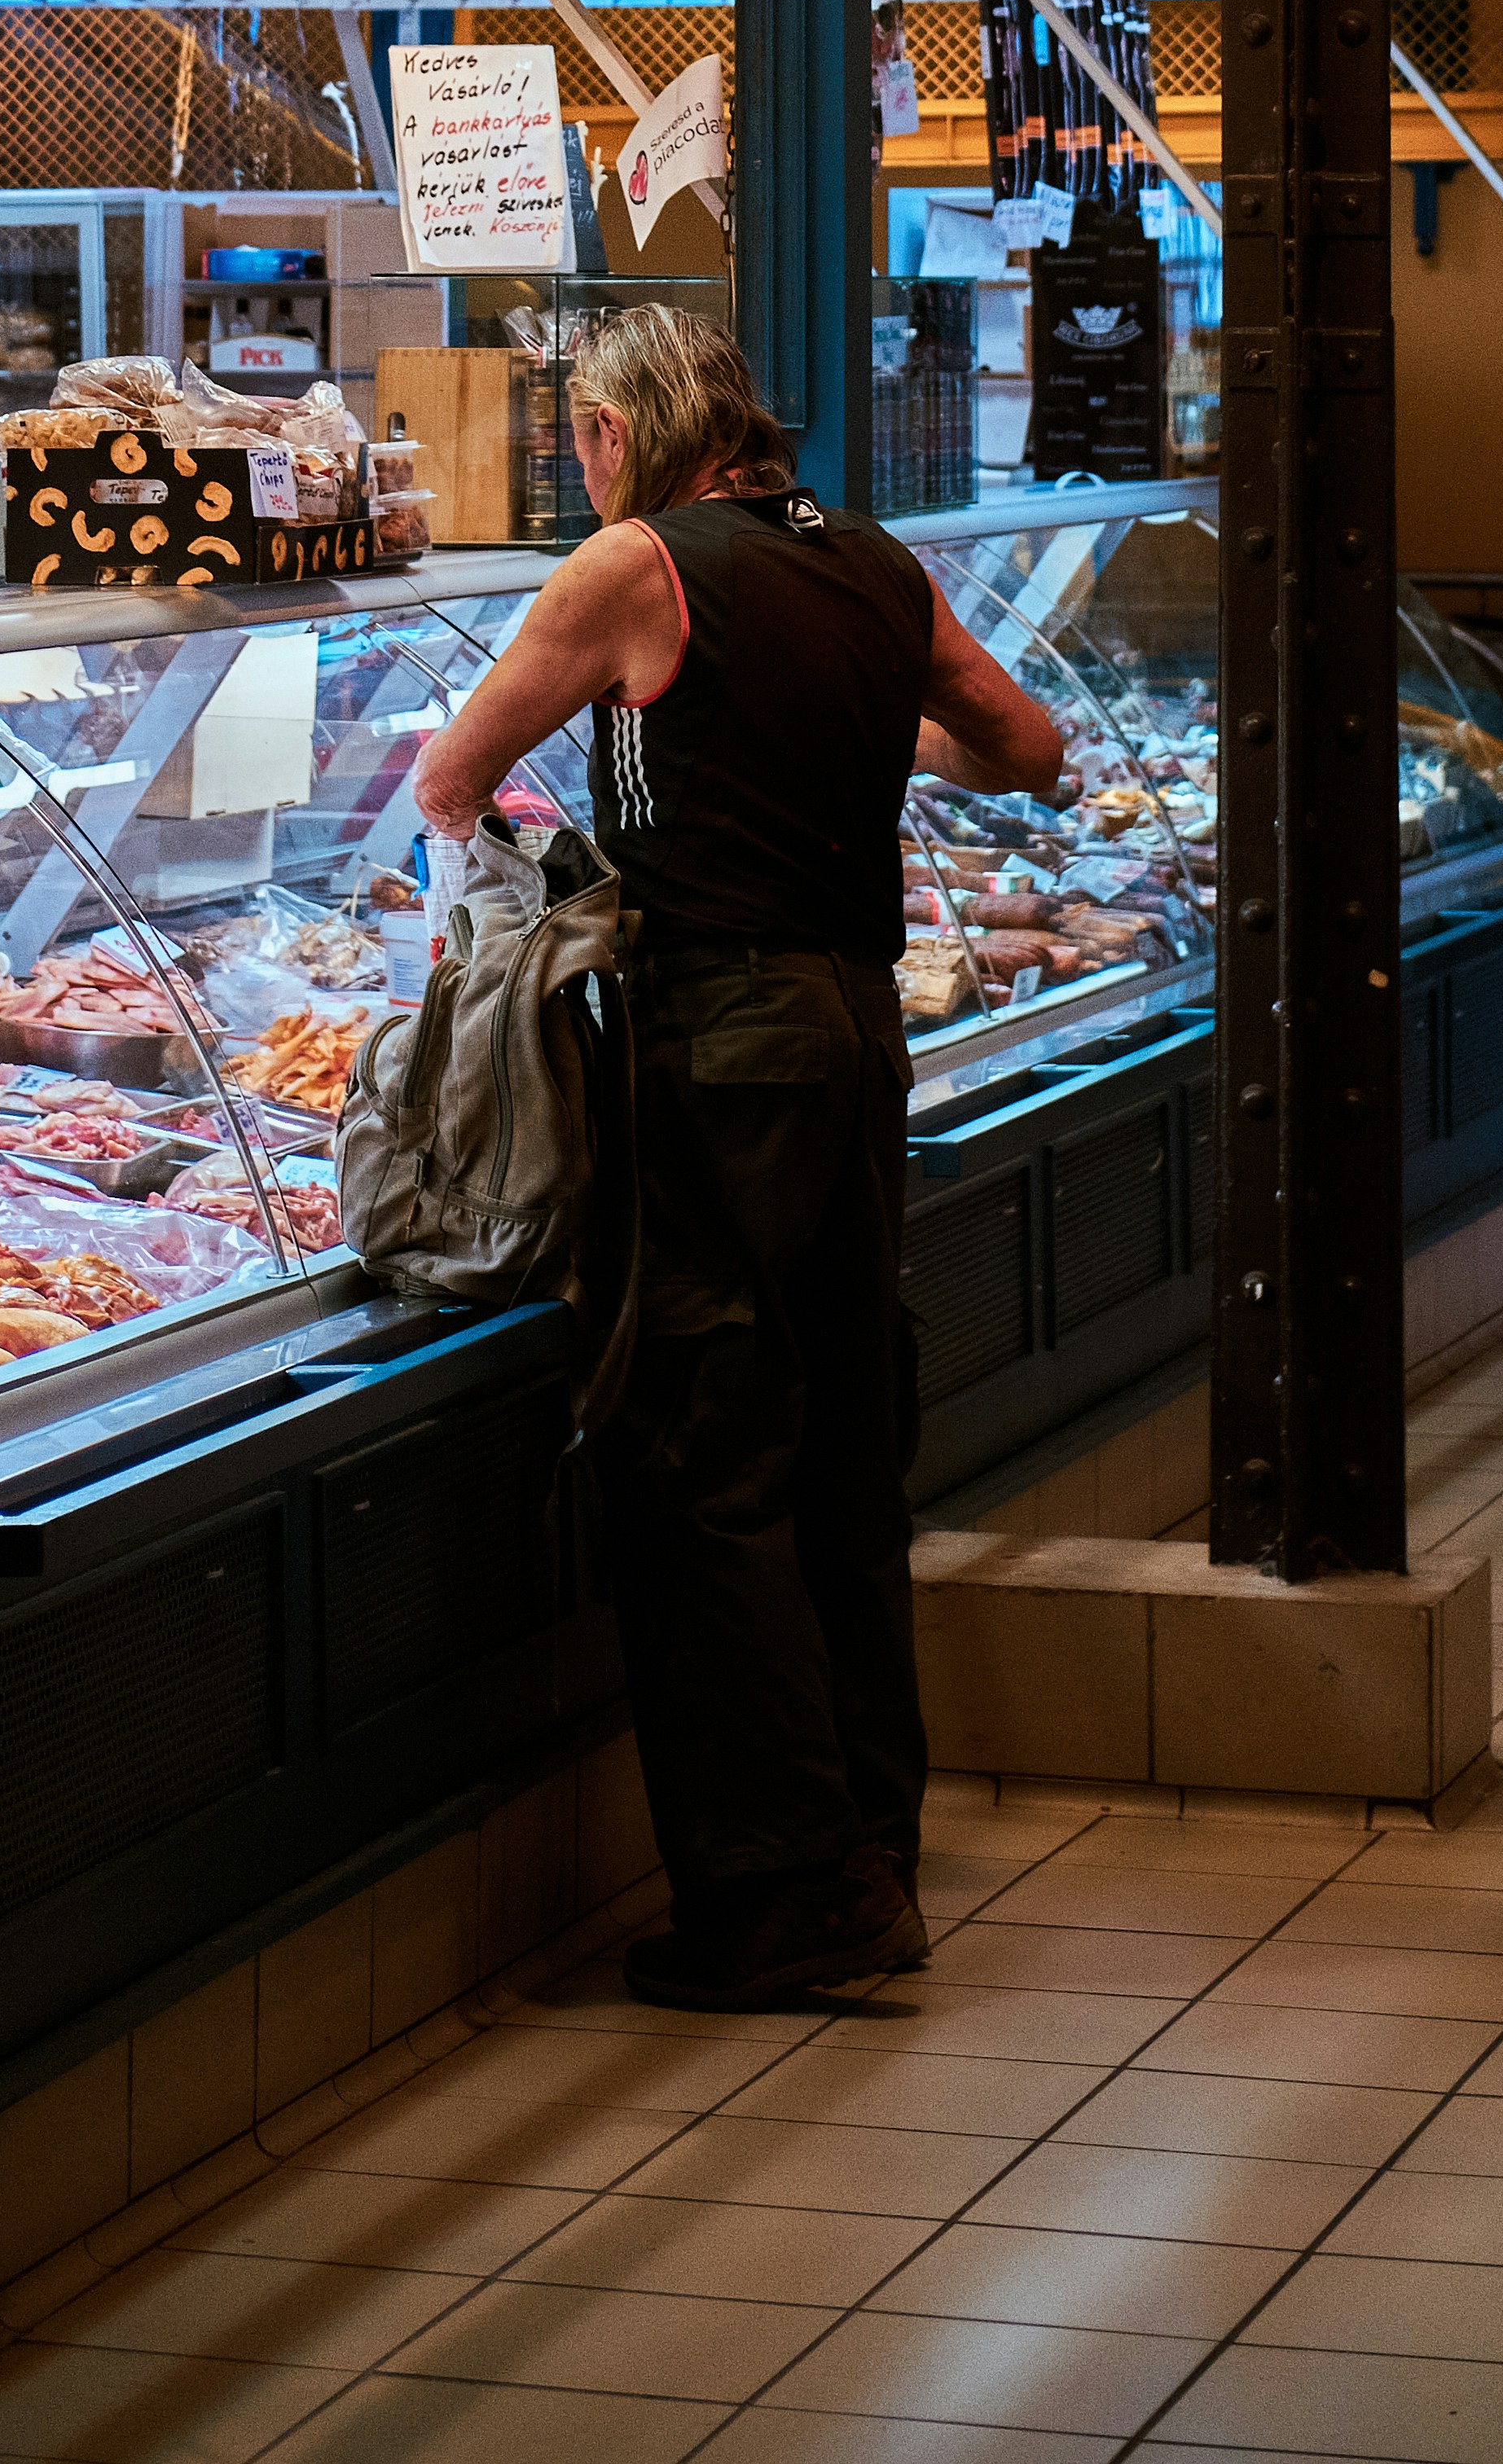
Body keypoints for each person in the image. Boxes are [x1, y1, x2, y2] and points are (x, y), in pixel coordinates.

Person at [412, 299, 1065, 2008]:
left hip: (720, 1043)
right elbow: (1032, 749)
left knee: (706, 1452)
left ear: (618, 434)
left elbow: (453, 775)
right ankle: (872, 1843)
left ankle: (792, 1892)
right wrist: (862, 742)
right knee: (844, 1445)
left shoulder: (633, 564)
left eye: (581, 440)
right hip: (859, 1036)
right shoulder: (874, 563)